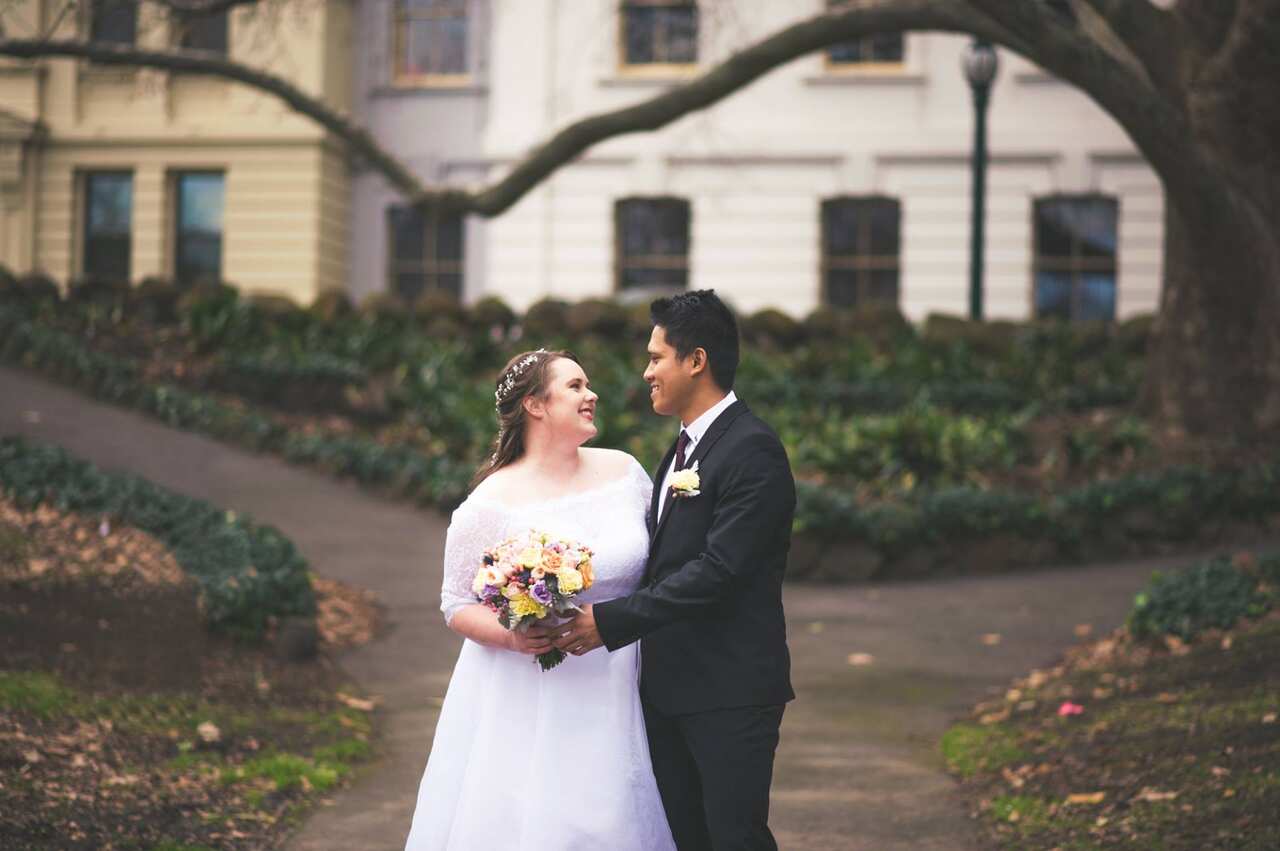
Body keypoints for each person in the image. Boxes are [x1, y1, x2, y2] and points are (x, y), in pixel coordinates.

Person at [402, 348, 676, 851]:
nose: (591, 394)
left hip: (625, 678)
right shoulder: (489, 503)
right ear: (535, 405)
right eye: (575, 386)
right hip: (533, 692)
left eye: (588, 385)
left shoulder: (626, 473)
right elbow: (455, 603)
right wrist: (515, 636)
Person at [553, 290, 797, 851]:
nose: (646, 373)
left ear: (696, 360)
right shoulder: (683, 450)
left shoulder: (752, 449)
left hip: (729, 689)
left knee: (734, 838)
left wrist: (610, 622)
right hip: (668, 689)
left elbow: (720, 571)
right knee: (686, 839)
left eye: (656, 357)